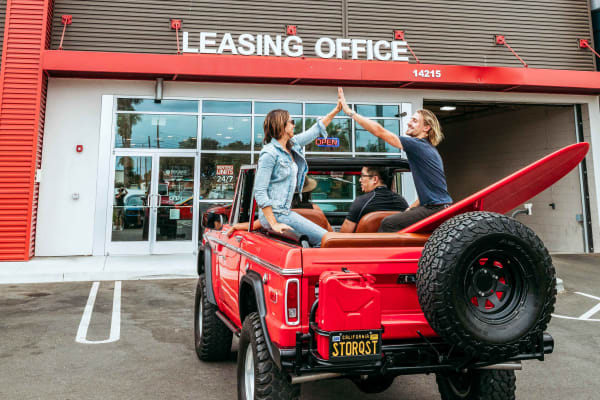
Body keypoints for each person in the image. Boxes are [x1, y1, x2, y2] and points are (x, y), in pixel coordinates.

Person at [338, 88, 452, 232]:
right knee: (400, 218)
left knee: (388, 223)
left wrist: (350, 112)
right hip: (440, 207)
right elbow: (434, 190)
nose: (409, 123)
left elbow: (380, 132)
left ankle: (381, 255)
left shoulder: (417, 145)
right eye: (411, 119)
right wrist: (412, 208)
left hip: (434, 209)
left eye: (415, 121)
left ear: (426, 128)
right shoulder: (429, 149)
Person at [253, 102, 341, 246]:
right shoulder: (269, 153)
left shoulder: (291, 145)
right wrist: (274, 223)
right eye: (291, 122)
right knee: (327, 240)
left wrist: (337, 110)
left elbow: (315, 130)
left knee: (326, 239)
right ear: (281, 125)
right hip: (277, 215)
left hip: (284, 213)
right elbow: (260, 191)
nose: (294, 125)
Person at [339, 166, 408, 233]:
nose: (360, 180)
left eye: (363, 176)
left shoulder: (361, 202)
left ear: (375, 179)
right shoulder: (402, 202)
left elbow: (343, 236)